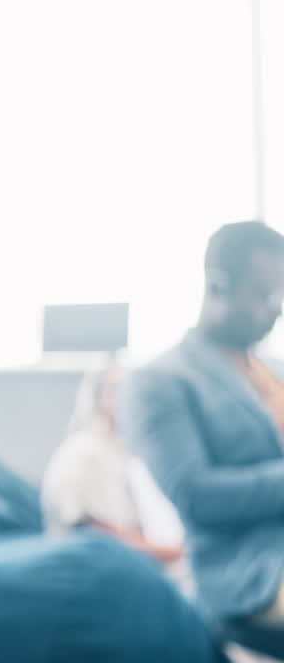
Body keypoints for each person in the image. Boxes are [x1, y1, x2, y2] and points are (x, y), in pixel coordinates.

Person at [120, 221, 284, 656]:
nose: (277, 308)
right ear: (218, 284)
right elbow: (196, 494)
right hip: (249, 570)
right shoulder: (160, 382)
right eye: (265, 294)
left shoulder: (275, 371)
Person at [42, 362, 188, 579]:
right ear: (99, 397)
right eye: (119, 389)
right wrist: (179, 553)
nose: (131, 398)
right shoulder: (83, 454)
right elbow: (99, 537)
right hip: (91, 581)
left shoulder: (128, 454)